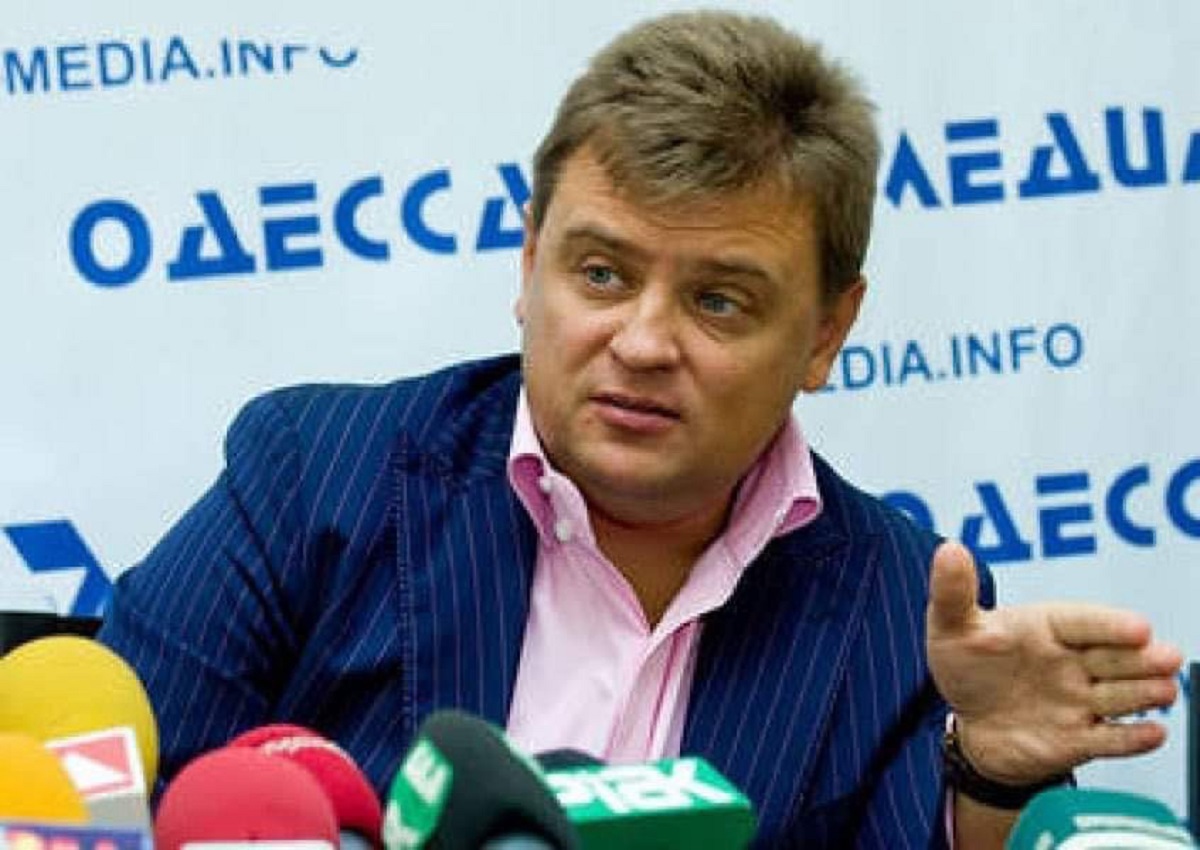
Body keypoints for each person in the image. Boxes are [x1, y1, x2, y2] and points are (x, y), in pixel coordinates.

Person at [97, 10, 1181, 847]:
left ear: (826, 331)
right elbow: (102, 794)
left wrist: (989, 776)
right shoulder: (313, 477)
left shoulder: (902, 608)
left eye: (719, 300)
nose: (644, 341)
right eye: (603, 274)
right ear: (531, 263)